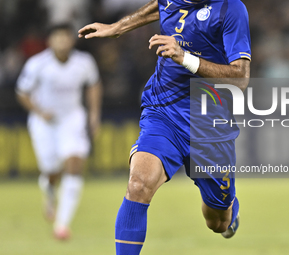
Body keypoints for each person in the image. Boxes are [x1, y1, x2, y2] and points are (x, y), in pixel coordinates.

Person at [79, 0, 250, 253]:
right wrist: (118, 27)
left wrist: (184, 57)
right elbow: (159, 6)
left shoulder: (231, 9)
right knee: (138, 184)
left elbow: (241, 78)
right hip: (164, 110)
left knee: (217, 221)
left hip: (210, 122)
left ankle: (229, 209)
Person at [17, 23, 102, 240]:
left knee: (74, 164)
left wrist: (93, 116)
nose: (62, 42)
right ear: (50, 41)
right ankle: (49, 190)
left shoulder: (84, 62)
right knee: (51, 171)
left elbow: (94, 85)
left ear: (71, 40)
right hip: (44, 123)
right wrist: (39, 111)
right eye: (58, 38)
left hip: (72, 119)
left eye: (66, 37)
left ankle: (62, 225)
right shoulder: (37, 64)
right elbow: (22, 92)